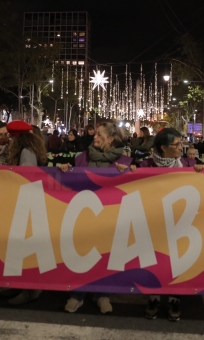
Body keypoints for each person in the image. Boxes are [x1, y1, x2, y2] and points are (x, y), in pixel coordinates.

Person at [58, 122, 132, 314]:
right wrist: (63, 170)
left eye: (99, 135)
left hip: (110, 217)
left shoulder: (126, 161)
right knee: (82, 253)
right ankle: (78, 294)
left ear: (111, 139)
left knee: (106, 255)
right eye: (95, 135)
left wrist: (129, 173)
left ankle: (103, 294)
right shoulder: (81, 158)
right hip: (84, 216)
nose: (95, 138)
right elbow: (68, 182)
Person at [133, 128, 204, 322]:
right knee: (155, 260)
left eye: (182, 143)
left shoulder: (189, 164)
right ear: (163, 148)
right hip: (154, 220)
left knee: (177, 260)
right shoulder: (146, 165)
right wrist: (128, 170)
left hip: (181, 220)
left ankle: (175, 299)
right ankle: (154, 298)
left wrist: (200, 170)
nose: (182, 148)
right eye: (177, 145)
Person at [5, 120, 49, 306]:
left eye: (11, 137)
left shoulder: (26, 153)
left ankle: (30, 289)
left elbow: (26, 178)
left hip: (27, 203)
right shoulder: (30, 151)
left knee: (26, 247)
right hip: (31, 202)